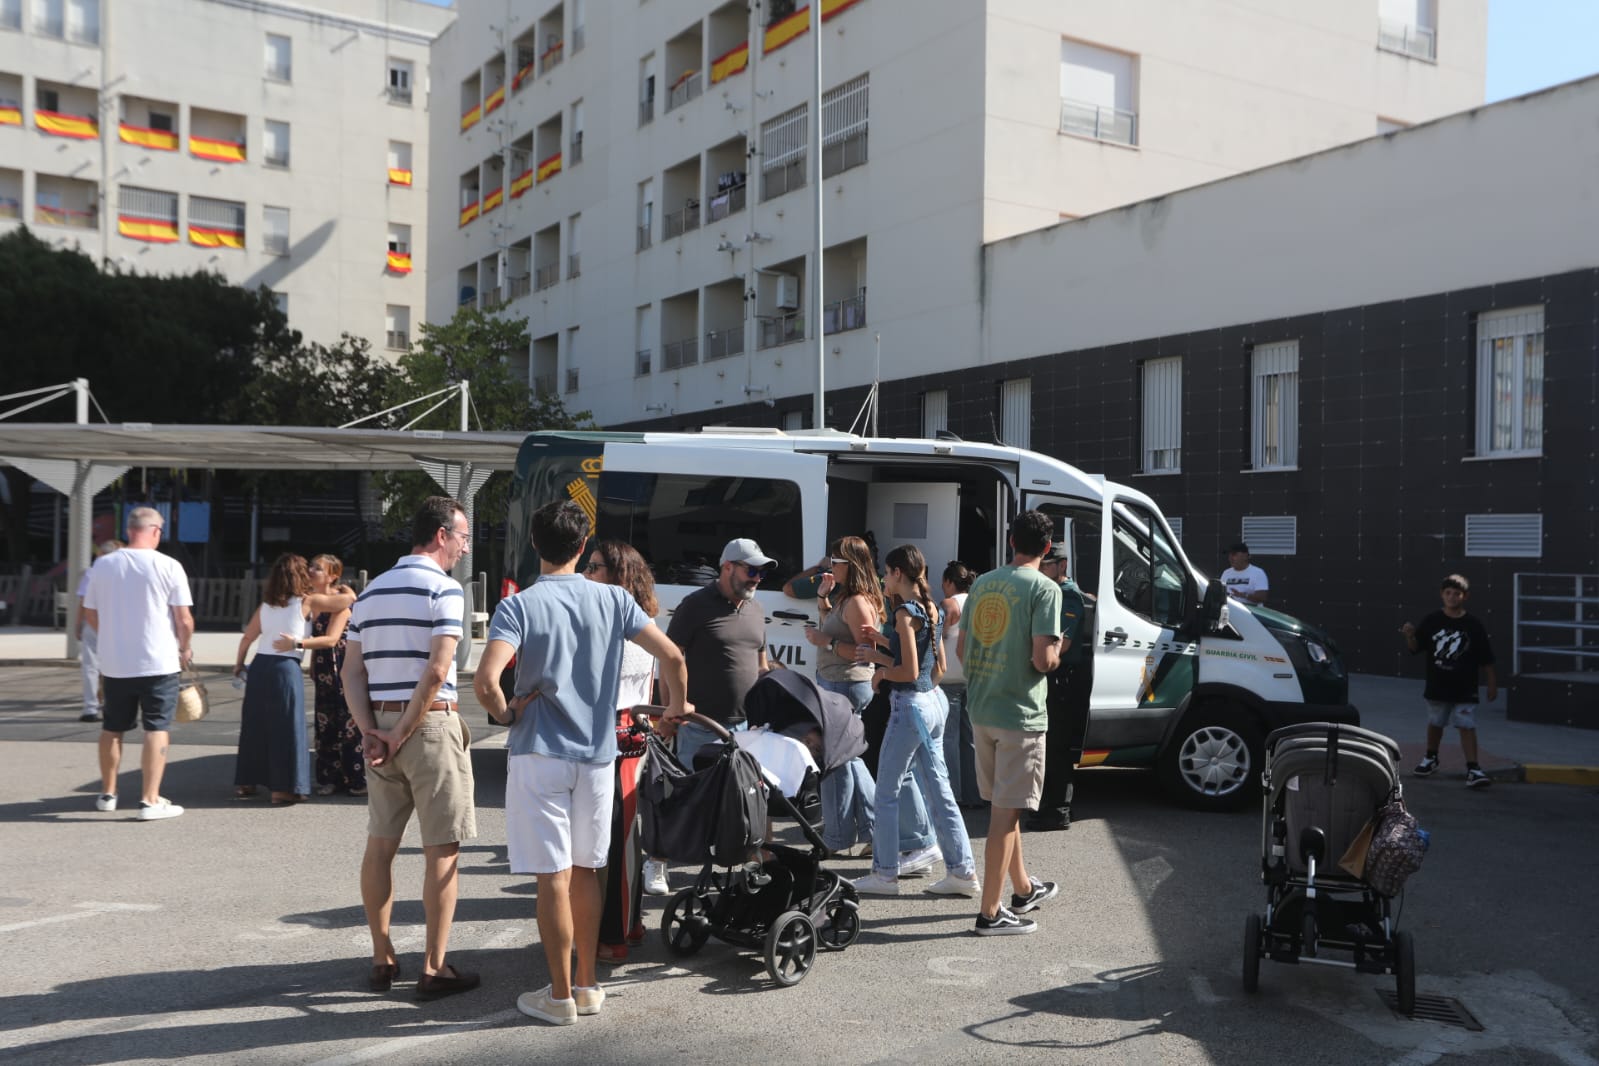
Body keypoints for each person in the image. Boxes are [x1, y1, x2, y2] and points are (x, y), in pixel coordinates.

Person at [475, 500, 690, 1027]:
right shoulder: (615, 599)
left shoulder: (520, 605)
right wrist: (674, 713)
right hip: (597, 754)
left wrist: (505, 711)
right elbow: (674, 657)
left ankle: (557, 994)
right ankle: (588, 983)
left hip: (539, 750)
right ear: (582, 546)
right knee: (588, 869)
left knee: (551, 875)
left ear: (533, 544)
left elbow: (486, 681)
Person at [341, 497, 479, 1001]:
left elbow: (350, 672)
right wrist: (401, 732)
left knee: (381, 846)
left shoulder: (372, 591)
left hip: (379, 723)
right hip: (431, 726)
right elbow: (439, 670)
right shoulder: (444, 590)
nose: (465, 548)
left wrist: (372, 731)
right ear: (441, 535)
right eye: (463, 537)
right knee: (442, 851)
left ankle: (382, 957)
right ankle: (434, 966)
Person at [850, 545, 979, 900]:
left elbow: (907, 669)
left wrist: (880, 673)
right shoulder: (930, 607)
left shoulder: (905, 613)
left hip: (910, 707)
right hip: (931, 704)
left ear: (895, 573)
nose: (882, 580)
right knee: (940, 793)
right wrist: (884, 646)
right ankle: (962, 872)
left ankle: (885, 873)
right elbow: (934, 667)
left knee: (887, 793)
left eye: (885, 574)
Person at [958, 510, 1062, 935]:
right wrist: (1059, 652)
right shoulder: (1045, 588)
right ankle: (990, 913)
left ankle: (1022, 889)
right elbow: (1043, 659)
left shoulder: (982, 582)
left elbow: (963, 649)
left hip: (981, 708)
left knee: (1007, 806)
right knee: (1005, 816)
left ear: (1010, 540)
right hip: (1020, 713)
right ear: (1048, 548)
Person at [803, 536, 935, 867]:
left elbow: (865, 655)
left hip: (847, 684)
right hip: (836, 681)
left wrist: (827, 642)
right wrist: (823, 602)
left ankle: (850, 832)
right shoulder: (845, 597)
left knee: (842, 758)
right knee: (846, 758)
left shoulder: (860, 600)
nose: (830, 567)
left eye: (836, 562)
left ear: (851, 564)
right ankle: (862, 830)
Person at [81, 507, 194, 821]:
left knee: (112, 727)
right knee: (156, 727)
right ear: (156, 531)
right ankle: (149, 799)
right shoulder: (169, 565)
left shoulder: (102, 564)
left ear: (129, 529)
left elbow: (89, 612)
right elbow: (183, 619)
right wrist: (185, 648)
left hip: (115, 662)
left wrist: (111, 637)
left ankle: (108, 793)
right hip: (158, 660)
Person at [581, 539, 662, 963]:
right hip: (629, 735)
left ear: (619, 576)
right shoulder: (642, 620)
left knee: (615, 841)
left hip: (619, 736)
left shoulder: (622, 625)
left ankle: (613, 934)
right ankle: (626, 924)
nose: (587, 574)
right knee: (623, 840)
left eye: (594, 567)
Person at [233, 553, 356, 804]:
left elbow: (247, 637)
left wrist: (239, 665)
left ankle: (246, 783)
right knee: (286, 727)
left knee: (255, 726)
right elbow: (347, 601)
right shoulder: (307, 601)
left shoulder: (266, 604)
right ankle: (283, 789)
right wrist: (348, 591)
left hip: (259, 666)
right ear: (300, 576)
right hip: (285, 667)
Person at [665, 537, 775, 771]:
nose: (757, 579)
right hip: (701, 728)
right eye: (752, 570)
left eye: (762, 573)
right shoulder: (694, 605)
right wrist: (669, 712)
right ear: (727, 567)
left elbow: (761, 666)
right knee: (695, 800)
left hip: (747, 730)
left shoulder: (756, 609)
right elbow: (668, 660)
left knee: (735, 802)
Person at [270, 554, 363, 796]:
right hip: (323, 666)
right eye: (311, 566)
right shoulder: (314, 600)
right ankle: (329, 778)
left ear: (332, 576)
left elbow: (332, 639)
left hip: (343, 665)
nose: (311, 571)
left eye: (318, 569)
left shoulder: (340, 602)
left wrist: (297, 644)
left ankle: (355, 779)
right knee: (325, 723)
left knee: (349, 723)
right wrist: (311, 661)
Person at [1401, 574, 1498, 789]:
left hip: (1465, 687)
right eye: (1448, 593)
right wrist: (1409, 635)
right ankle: (1431, 757)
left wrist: (1492, 683)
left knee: (1466, 724)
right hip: (1438, 684)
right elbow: (1415, 648)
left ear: (1465, 596)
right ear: (1442, 595)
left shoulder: (1473, 624)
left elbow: (1486, 657)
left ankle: (1473, 768)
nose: (1452, 597)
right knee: (1436, 722)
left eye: (1457, 594)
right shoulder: (1432, 620)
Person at [1028, 542, 1093, 832]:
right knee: (1048, 745)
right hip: (1053, 674)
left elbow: (1061, 644)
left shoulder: (1068, 596)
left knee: (1057, 748)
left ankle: (1057, 812)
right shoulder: (1050, 591)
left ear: (1062, 566)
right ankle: (1046, 807)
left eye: (1047, 565)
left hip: (1063, 676)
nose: (1042, 569)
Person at [938, 561, 981, 808]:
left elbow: (938, 638)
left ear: (948, 582)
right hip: (972, 676)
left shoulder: (948, 604)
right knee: (970, 739)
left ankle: (953, 794)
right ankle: (975, 794)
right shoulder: (978, 602)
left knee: (948, 740)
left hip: (949, 679)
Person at [75, 539, 121, 723]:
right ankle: (113, 705)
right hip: (117, 624)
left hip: (93, 622)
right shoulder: (124, 573)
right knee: (116, 667)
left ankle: (90, 708)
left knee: (90, 666)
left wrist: (78, 624)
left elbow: (83, 602)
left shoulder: (92, 572)